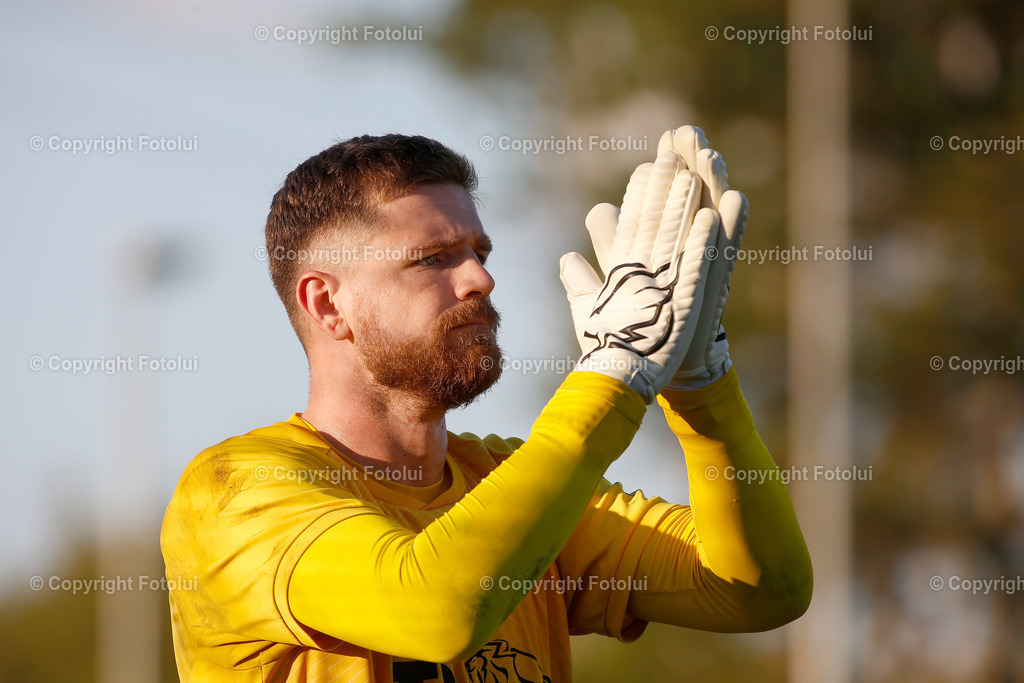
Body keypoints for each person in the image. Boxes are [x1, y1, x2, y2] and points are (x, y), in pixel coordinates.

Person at [161, 127, 812, 683]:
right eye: (432, 259)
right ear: (327, 304)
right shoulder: (233, 491)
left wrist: (702, 389)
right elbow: (435, 608)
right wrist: (612, 371)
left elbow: (759, 591)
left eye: (479, 252)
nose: (479, 278)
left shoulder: (512, 482)